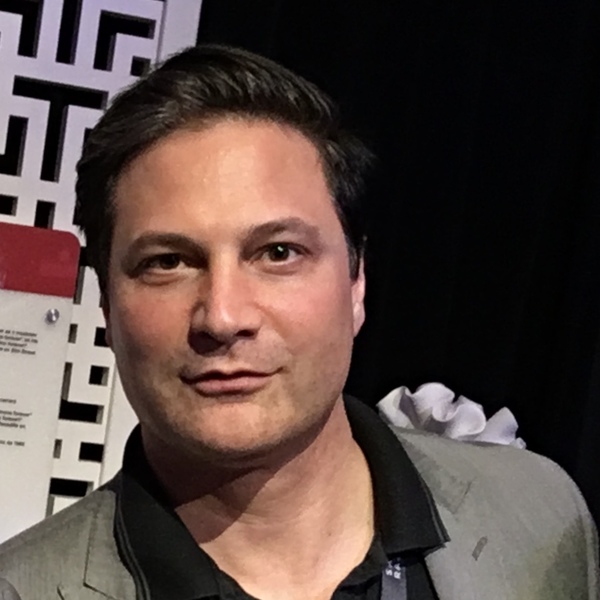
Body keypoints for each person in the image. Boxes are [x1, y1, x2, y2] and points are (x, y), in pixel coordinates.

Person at [0, 44, 597, 600]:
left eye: (278, 253)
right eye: (168, 262)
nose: (223, 316)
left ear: (357, 281)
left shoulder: (536, 514)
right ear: (106, 304)